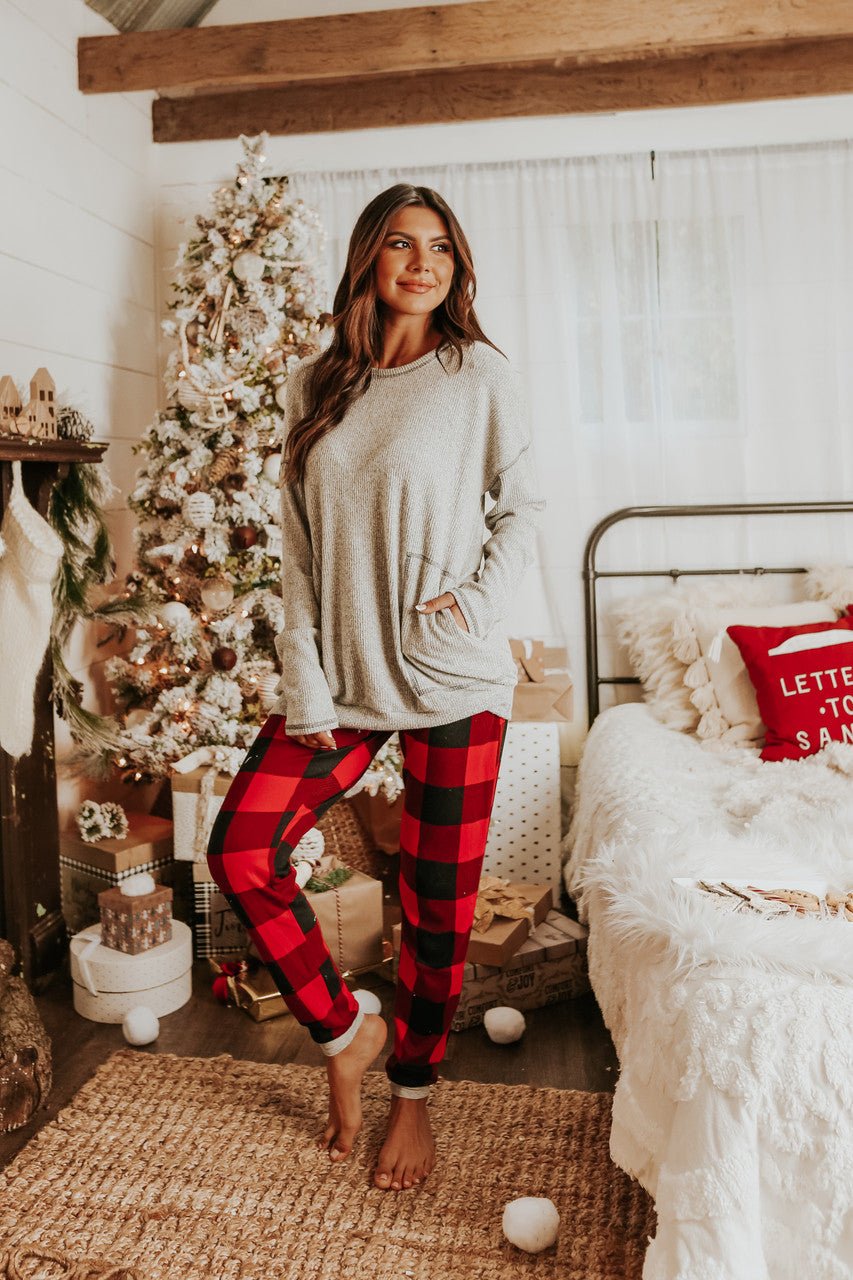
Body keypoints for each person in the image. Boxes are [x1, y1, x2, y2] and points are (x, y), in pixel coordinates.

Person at [206, 182, 545, 1193]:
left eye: (439, 246)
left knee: (433, 908)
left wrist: (474, 606)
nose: (422, 262)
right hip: (344, 680)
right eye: (400, 243)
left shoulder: (477, 374)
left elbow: (520, 512)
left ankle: (414, 1095)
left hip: (451, 678)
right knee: (241, 848)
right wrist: (306, 692)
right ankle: (346, 1029)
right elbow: (299, 559)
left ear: (457, 266)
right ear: (368, 259)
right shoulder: (316, 384)